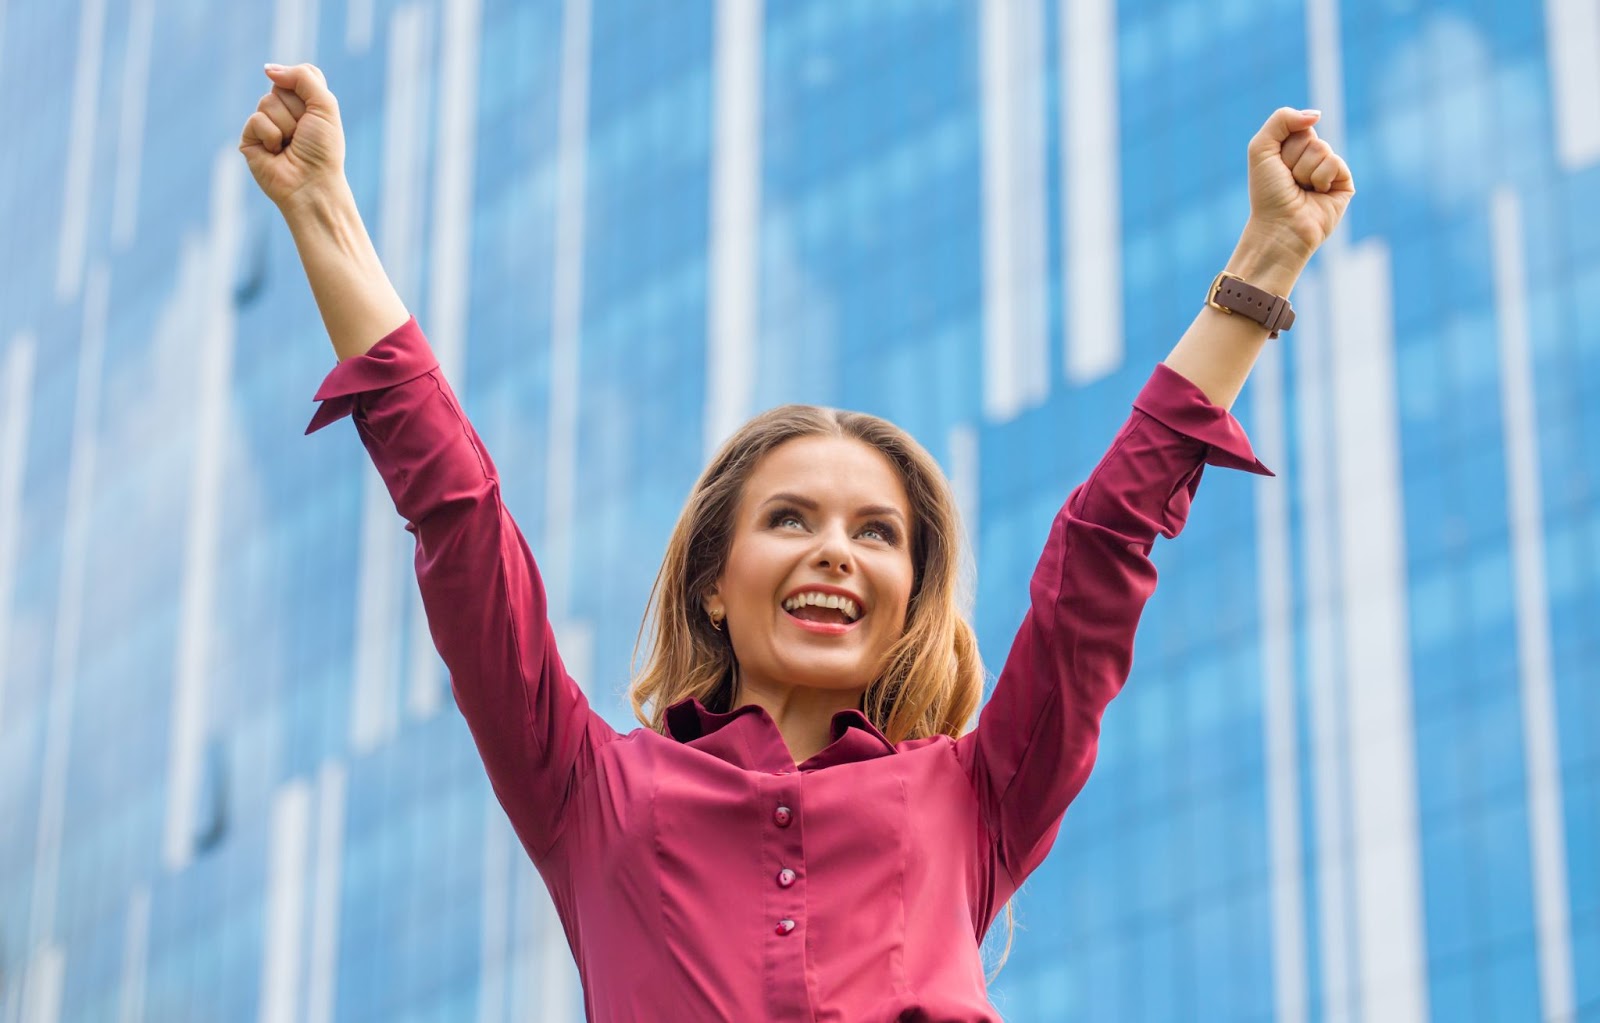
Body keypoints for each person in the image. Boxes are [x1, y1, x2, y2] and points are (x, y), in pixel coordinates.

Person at [240, 62, 1352, 1022]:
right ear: (714, 586)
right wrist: (323, 210)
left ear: (910, 601)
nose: (836, 552)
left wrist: (1264, 264)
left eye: (878, 535)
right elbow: (461, 526)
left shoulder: (979, 797)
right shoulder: (587, 790)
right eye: (790, 519)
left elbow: (1102, 556)